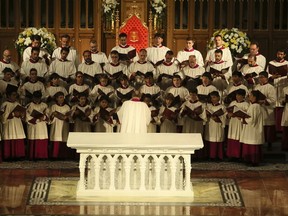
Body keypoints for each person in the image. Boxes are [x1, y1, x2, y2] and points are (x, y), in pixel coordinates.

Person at [240, 90, 264, 165]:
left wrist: (241, 118)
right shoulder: (252, 105)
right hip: (250, 129)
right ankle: (249, 159)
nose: (248, 96)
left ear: (254, 97)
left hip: (253, 129)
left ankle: (254, 160)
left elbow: (252, 119)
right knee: (249, 143)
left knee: (252, 144)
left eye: (250, 95)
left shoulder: (255, 106)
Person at [0, 88, 26, 160]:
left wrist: (21, 114)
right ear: (8, 96)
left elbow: (22, 115)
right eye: (13, 95)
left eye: (16, 95)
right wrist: (13, 114)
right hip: (9, 124)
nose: (15, 97)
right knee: (9, 138)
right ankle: (8, 156)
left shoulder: (17, 104)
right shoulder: (4, 104)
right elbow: (3, 117)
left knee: (18, 138)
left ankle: (18, 155)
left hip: (17, 123)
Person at [254, 71, 276, 150]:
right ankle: (260, 142)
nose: (260, 79)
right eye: (259, 77)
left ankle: (269, 144)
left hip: (267, 110)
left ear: (266, 78)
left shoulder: (270, 87)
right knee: (260, 126)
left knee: (268, 127)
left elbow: (273, 99)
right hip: (258, 109)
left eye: (262, 77)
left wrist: (264, 101)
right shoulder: (256, 87)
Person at [267, 49, 288, 132]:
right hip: (274, 85)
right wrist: (271, 77)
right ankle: (275, 128)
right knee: (274, 105)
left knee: (282, 105)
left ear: (284, 55)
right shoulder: (271, 63)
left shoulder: (287, 63)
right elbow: (267, 74)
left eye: (282, 54)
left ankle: (281, 128)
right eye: (279, 54)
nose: (280, 56)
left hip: (284, 85)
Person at [226, 89, 250, 160]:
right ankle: (231, 155)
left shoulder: (246, 104)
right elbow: (227, 112)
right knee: (232, 136)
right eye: (237, 95)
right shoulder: (233, 103)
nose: (238, 96)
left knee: (239, 137)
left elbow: (247, 115)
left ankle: (238, 155)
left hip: (240, 123)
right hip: (233, 122)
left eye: (239, 95)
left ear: (243, 96)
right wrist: (228, 114)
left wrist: (241, 115)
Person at [26, 91, 49, 160]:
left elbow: (48, 115)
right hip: (33, 126)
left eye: (38, 98)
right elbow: (27, 117)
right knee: (33, 137)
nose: (37, 99)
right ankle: (33, 156)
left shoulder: (44, 105)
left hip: (42, 126)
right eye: (36, 98)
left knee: (42, 139)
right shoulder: (29, 105)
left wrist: (44, 117)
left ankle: (42, 156)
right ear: (33, 97)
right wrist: (37, 119)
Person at [49, 91, 72, 159]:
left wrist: (67, 117)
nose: (62, 99)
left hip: (64, 125)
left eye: (63, 97)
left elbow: (70, 118)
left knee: (64, 139)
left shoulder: (67, 107)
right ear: (57, 98)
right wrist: (53, 115)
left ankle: (63, 156)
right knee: (56, 138)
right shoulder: (53, 106)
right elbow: (50, 117)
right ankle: (55, 156)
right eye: (60, 97)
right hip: (56, 125)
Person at [204, 91, 226, 160]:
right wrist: (207, 114)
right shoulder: (208, 106)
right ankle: (210, 156)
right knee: (210, 139)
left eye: (214, 97)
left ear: (218, 98)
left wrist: (218, 118)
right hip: (210, 125)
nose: (212, 99)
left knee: (218, 139)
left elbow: (225, 116)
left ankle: (219, 156)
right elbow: (204, 116)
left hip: (218, 125)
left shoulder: (222, 107)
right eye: (211, 98)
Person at [281, 85, 288, 150]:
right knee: (286, 129)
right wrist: (283, 101)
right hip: (287, 109)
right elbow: (281, 100)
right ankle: (285, 146)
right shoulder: (285, 88)